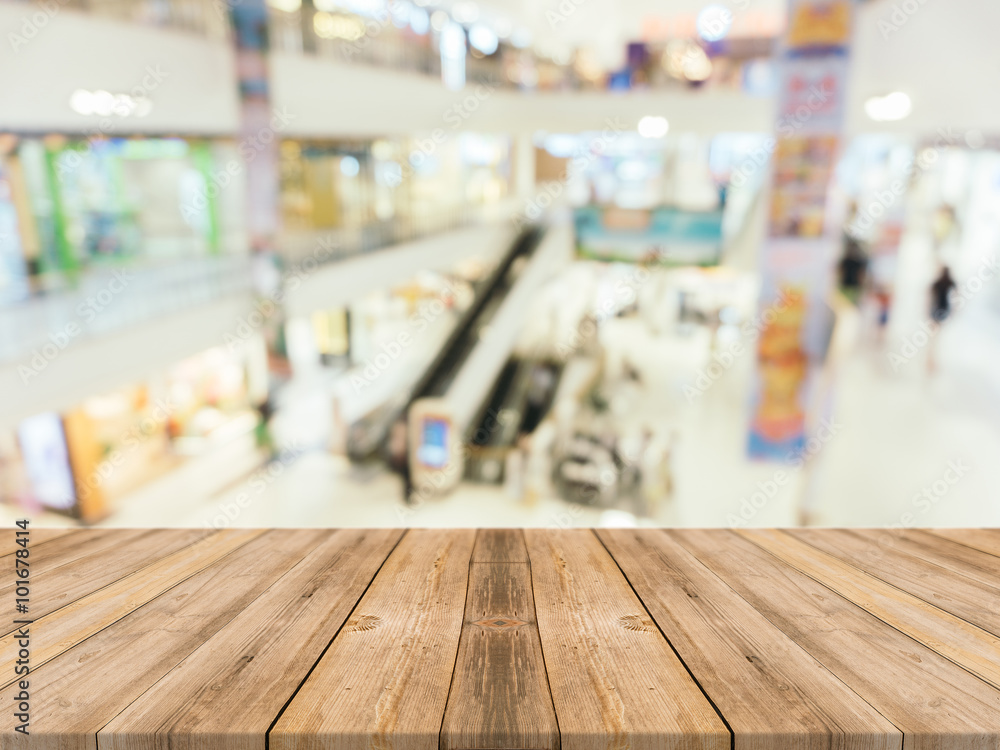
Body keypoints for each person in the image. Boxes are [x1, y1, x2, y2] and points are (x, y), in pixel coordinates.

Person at [928, 265, 957, 373]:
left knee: (933, 336)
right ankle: (932, 359)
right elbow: (957, 294)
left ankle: (931, 358)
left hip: (936, 309)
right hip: (944, 309)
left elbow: (930, 297)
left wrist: (927, 310)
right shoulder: (950, 282)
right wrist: (954, 311)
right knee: (937, 336)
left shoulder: (937, 282)